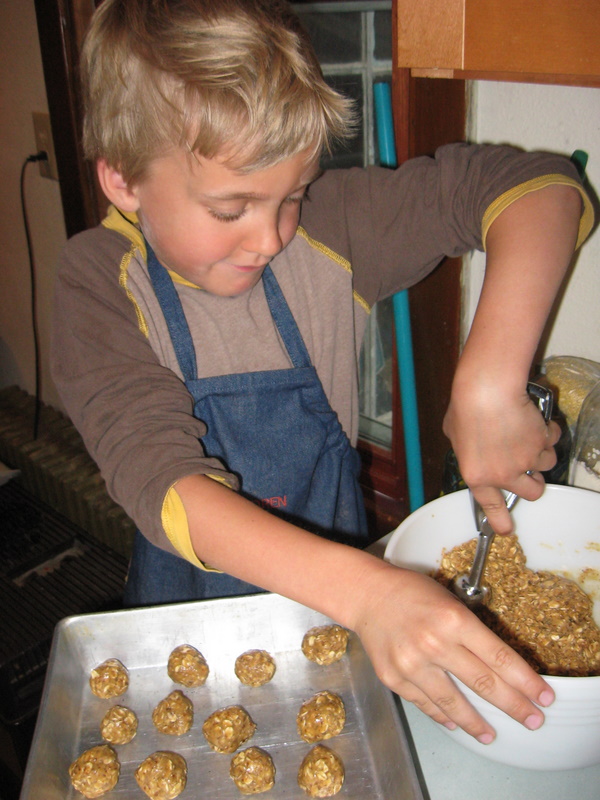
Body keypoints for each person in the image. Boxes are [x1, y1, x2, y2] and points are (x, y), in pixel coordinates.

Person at [51, 0, 593, 746]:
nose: (271, 236)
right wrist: (369, 595)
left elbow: (542, 185)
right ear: (123, 181)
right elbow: (164, 483)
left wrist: (489, 381)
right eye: (231, 206)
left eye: (292, 194)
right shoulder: (97, 285)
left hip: (333, 628)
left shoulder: (326, 232)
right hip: (191, 628)